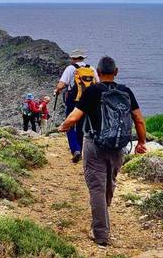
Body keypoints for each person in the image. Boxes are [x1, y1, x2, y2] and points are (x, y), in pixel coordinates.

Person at [58, 56, 147, 246]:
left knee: (97, 188)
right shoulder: (126, 91)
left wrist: (63, 127)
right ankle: (102, 217)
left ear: (98, 73)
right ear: (116, 72)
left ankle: (101, 234)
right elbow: (138, 119)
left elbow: (75, 117)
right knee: (109, 183)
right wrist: (141, 142)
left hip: (95, 146)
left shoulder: (92, 91)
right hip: (118, 147)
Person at [53, 49, 98, 163]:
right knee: (81, 127)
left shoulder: (70, 68)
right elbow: (98, 83)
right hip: (88, 101)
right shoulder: (91, 69)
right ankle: (80, 150)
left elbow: (61, 84)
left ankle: (75, 150)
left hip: (73, 101)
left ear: (73, 58)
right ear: (83, 58)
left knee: (69, 125)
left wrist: (57, 90)